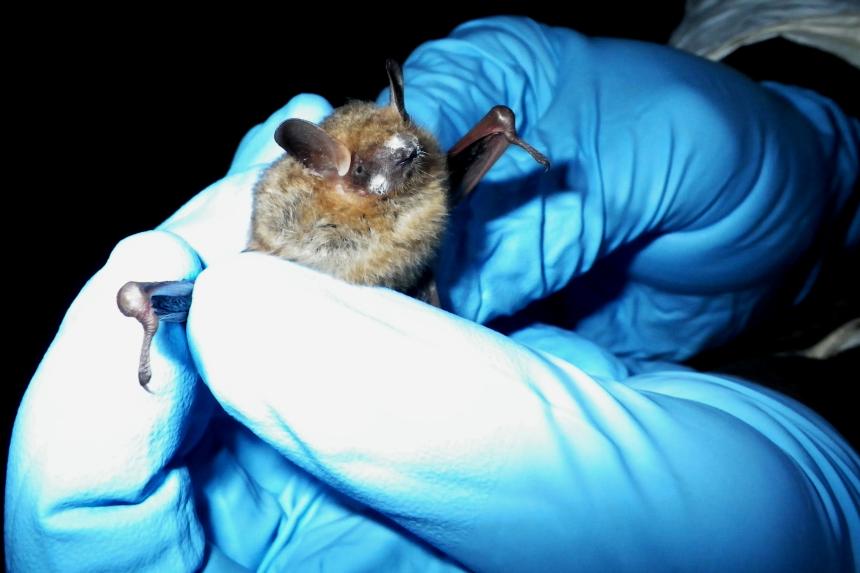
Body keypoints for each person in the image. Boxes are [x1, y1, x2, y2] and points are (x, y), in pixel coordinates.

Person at [6, 16, 859, 572]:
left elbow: (419, 155)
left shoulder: (413, 163)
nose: (409, 153)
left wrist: (828, 175)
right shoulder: (308, 203)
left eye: (413, 144)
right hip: (292, 284)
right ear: (330, 166)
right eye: (392, 160)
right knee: (223, 303)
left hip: (426, 286)